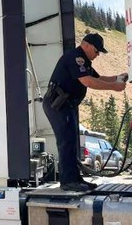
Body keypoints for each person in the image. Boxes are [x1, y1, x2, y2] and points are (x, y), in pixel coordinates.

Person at [42, 33, 127, 192]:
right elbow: (88, 81)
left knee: (72, 142)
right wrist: (114, 86)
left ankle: (75, 178)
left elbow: (99, 77)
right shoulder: (75, 57)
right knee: (66, 142)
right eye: (96, 50)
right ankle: (68, 181)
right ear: (86, 44)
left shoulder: (84, 61)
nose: (97, 54)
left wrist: (117, 77)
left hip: (66, 105)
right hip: (58, 104)